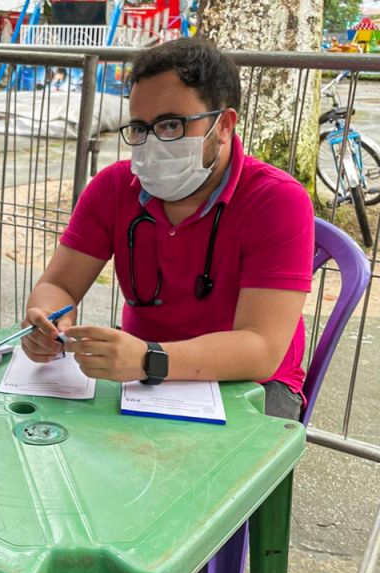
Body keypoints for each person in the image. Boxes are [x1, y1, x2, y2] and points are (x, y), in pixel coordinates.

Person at [21, 38, 314, 421]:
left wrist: (149, 359)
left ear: (224, 125)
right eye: (141, 128)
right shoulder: (113, 189)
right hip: (143, 372)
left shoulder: (277, 201)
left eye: (172, 124)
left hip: (252, 384)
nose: (153, 143)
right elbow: (59, 284)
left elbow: (261, 349)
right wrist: (44, 318)